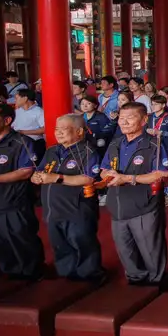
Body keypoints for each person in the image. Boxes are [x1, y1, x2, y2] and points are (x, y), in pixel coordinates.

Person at [101, 102, 168, 287]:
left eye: (130, 118)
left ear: (144, 120)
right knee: (125, 250)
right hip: (117, 206)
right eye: (121, 118)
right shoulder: (115, 143)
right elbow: (104, 169)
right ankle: (135, 281)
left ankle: (157, 284)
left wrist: (128, 178)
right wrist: (108, 175)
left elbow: (161, 173)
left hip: (144, 205)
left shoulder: (154, 143)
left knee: (151, 249)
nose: (124, 122)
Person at [31, 114, 104, 281]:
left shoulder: (87, 150)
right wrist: (35, 177)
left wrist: (58, 178)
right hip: (53, 208)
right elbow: (40, 171)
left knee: (82, 243)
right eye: (56, 129)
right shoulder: (52, 150)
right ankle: (68, 276)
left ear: (79, 131)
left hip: (77, 208)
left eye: (63, 129)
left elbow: (89, 178)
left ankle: (91, 276)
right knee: (60, 246)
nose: (59, 133)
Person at [0, 103, 44, 279]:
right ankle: (10, 274)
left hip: (12, 204)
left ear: (7, 120)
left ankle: (33, 275)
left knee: (22, 241)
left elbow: (26, 171)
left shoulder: (21, 142)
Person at [13, 89, 46, 160]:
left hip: (34, 144)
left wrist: (23, 132)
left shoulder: (39, 111)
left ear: (25, 98)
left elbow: (44, 129)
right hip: (18, 143)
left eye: (16, 98)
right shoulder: (17, 111)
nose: (15, 100)